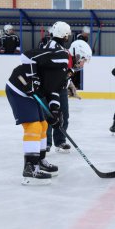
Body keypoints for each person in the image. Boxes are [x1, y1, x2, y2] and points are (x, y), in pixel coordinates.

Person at [5, 21, 71, 185]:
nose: (84, 64)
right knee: (33, 126)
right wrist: (33, 79)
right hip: (19, 89)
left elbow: (53, 90)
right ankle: (30, 168)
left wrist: (55, 111)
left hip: (30, 92)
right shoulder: (61, 57)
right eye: (84, 60)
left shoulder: (64, 68)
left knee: (43, 124)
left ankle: (39, 161)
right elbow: (27, 56)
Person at [43, 22, 74, 153]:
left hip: (60, 86)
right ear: (63, 35)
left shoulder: (61, 48)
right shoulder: (52, 47)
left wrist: (69, 78)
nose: (68, 38)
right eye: (67, 35)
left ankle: (60, 141)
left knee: (64, 115)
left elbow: (63, 70)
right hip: (50, 87)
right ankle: (47, 142)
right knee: (50, 115)